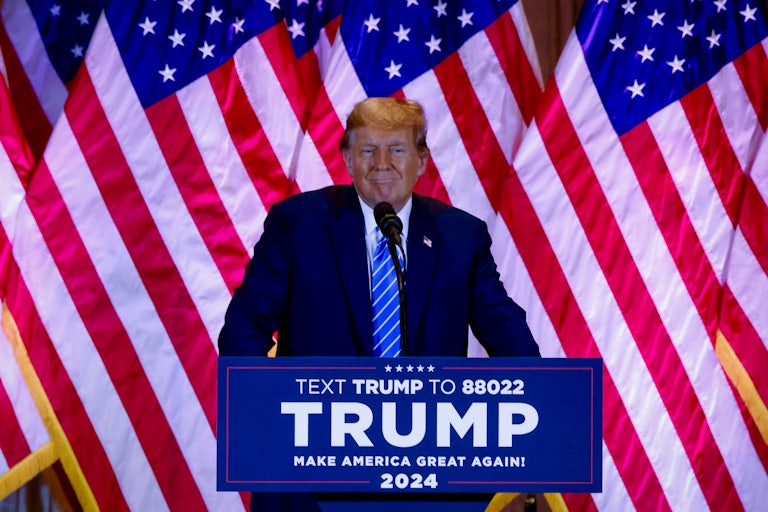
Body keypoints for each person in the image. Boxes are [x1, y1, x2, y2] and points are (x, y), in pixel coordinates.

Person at [218, 97, 540, 511]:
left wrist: (533, 402)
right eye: (368, 149)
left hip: (430, 475)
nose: (382, 163)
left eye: (397, 149)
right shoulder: (297, 224)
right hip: (312, 473)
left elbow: (507, 333)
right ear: (348, 159)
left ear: (422, 160)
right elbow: (245, 326)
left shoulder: (462, 237)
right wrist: (268, 414)